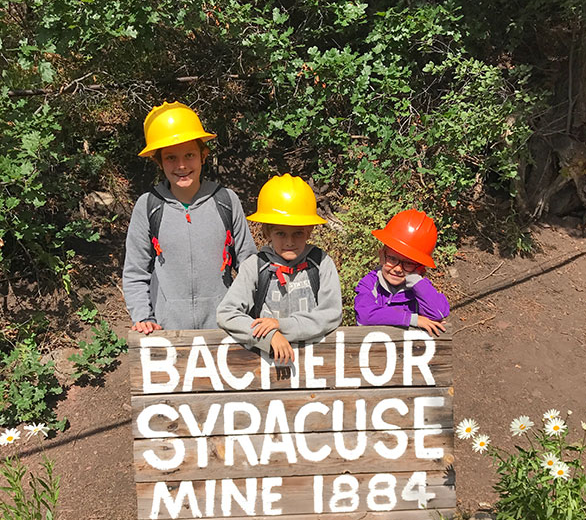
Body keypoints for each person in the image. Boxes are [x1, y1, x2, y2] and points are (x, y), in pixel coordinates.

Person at [123, 101, 256, 333]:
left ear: (203, 155)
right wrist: (143, 316)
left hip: (223, 331)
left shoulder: (226, 200)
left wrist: (248, 314)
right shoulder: (148, 206)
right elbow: (135, 272)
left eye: (190, 155)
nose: (182, 165)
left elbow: (248, 265)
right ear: (159, 161)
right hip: (167, 333)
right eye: (171, 158)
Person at [217, 174, 342, 363]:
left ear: (309, 231)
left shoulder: (321, 263)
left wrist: (282, 326)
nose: (289, 242)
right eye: (281, 233)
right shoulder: (256, 266)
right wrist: (269, 335)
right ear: (267, 232)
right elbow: (226, 314)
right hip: (266, 371)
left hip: (315, 369)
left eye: (298, 233)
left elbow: (331, 314)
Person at [354, 209, 449, 336]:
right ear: (382, 256)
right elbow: (364, 316)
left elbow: (439, 313)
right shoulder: (370, 283)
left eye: (409, 263)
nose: (398, 269)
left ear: (420, 267)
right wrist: (412, 319)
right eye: (392, 259)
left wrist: (415, 280)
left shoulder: (420, 288)